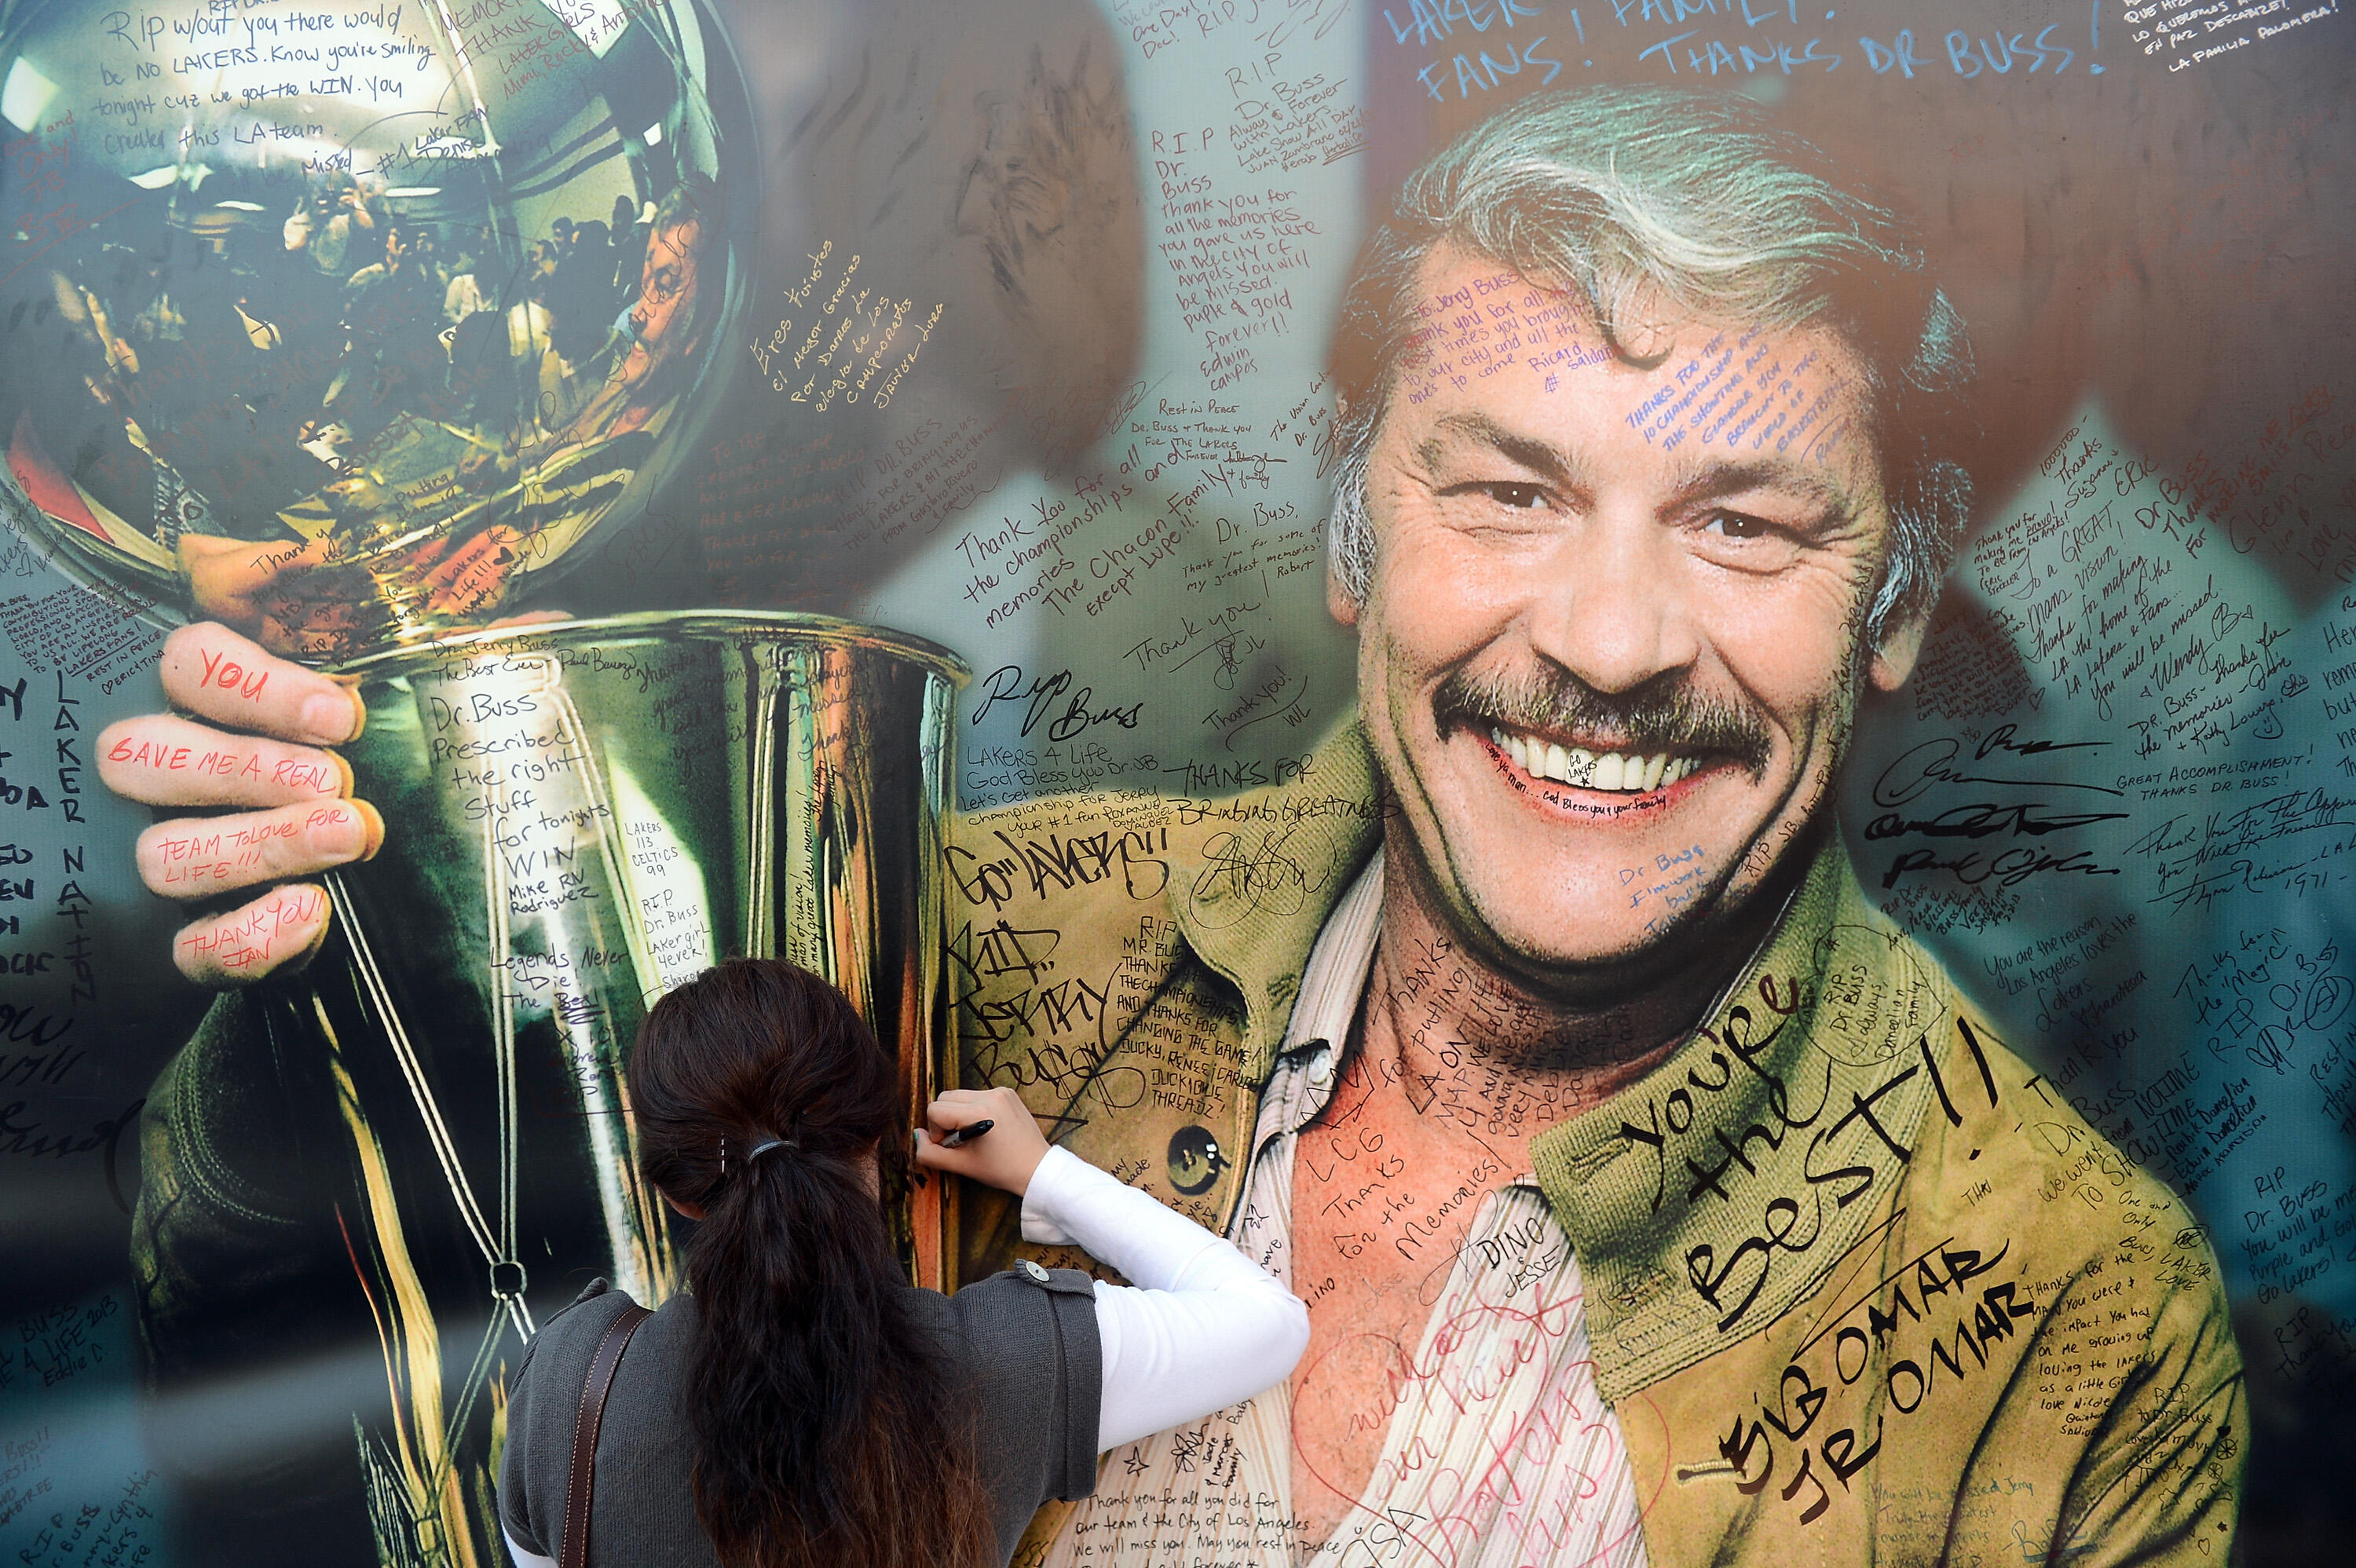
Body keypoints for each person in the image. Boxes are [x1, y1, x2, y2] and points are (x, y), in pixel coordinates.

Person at [496, 957, 1307, 1568]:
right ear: (874, 1139)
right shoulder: (1007, 1360)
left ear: (678, 1194)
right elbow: (1268, 1322)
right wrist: (1044, 1171)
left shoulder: (570, 1385)